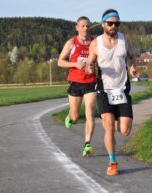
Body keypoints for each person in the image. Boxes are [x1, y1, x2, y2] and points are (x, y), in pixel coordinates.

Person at [85, 9, 136, 175]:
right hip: (104, 89)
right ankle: (112, 161)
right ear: (103, 24)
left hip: (122, 88)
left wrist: (133, 67)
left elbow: (131, 57)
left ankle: (116, 125)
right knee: (108, 126)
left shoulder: (124, 40)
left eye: (117, 23)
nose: (114, 26)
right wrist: (90, 68)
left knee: (125, 130)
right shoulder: (95, 44)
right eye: (110, 23)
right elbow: (89, 66)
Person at [58, 16, 97, 157]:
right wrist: (75, 64)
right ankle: (70, 116)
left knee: (90, 114)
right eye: (83, 26)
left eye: (88, 26)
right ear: (77, 27)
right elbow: (60, 62)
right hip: (75, 82)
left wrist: (92, 66)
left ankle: (87, 145)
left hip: (91, 82)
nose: (85, 28)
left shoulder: (95, 42)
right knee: (75, 117)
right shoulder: (71, 42)